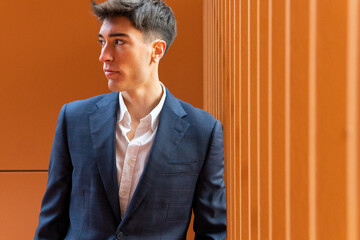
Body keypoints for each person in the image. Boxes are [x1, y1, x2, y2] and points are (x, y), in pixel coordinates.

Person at [34, 0, 226, 239]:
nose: (104, 56)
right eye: (102, 42)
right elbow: (52, 223)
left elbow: (213, 231)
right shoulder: (74, 119)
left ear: (157, 50)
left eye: (119, 42)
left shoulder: (203, 131)